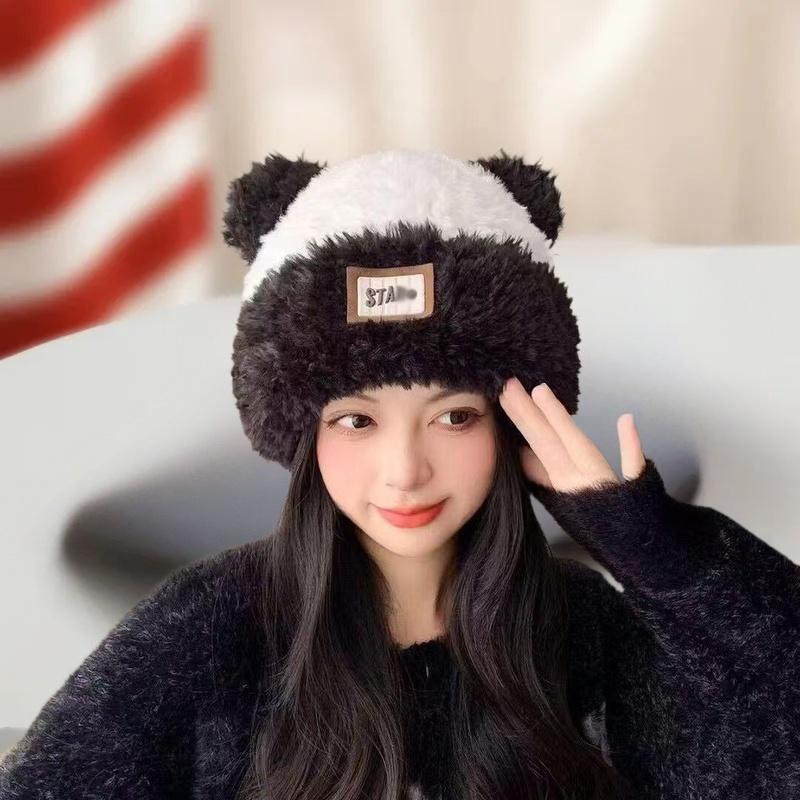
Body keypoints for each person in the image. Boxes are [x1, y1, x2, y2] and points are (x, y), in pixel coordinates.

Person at [1, 149, 798, 800]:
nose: (406, 471)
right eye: (357, 420)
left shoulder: (582, 629)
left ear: (510, 425)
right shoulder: (211, 627)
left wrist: (659, 553)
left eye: (454, 417)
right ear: (304, 433)